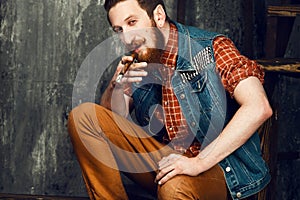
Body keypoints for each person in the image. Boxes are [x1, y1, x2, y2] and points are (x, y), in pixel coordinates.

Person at [68, 0, 273, 199]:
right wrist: (116, 85)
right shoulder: (141, 59)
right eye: (119, 30)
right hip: (168, 162)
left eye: (132, 23)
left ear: (158, 16)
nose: (127, 38)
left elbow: (258, 107)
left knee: (174, 187)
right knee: (84, 117)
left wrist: (198, 163)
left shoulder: (211, 48)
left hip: (220, 169)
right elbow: (111, 121)